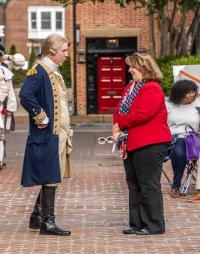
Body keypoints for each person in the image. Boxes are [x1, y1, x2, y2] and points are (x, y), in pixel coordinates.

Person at [19, 33, 73, 236]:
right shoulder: (39, 71)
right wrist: (39, 114)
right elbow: (25, 94)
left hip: (59, 133)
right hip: (49, 133)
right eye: (64, 51)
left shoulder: (51, 70)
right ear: (52, 51)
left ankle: (37, 216)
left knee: (53, 174)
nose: (67, 55)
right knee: (51, 176)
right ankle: (47, 223)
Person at [112, 52, 172, 235]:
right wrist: (116, 127)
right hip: (131, 143)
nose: (129, 70)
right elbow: (118, 109)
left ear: (144, 68)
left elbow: (142, 114)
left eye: (132, 66)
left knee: (148, 185)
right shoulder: (131, 87)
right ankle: (137, 223)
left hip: (150, 144)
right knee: (134, 184)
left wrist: (120, 124)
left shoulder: (152, 88)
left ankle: (154, 225)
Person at [166, 79, 200, 198]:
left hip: (195, 137)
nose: (192, 95)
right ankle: (176, 186)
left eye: (193, 92)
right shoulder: (168, 105)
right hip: (175, 137)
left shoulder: (198, 103)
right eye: (188, 92)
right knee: (179, 153)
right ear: (178, 93)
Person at [0, 45, 25, 169]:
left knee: (2, 132)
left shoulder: (6, 63)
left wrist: (8, 57)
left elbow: (21, 62)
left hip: (4, 103)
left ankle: (1, 159)